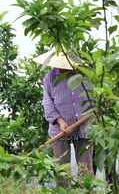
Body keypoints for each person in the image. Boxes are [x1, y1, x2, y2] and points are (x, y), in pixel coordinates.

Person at [36, 51, 94, 185]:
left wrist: (87, 114)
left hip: (84, 128)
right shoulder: (49, 78)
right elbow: (47, 103)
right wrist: (61, 122)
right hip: (60, 130)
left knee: (85, 170)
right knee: (62, 170)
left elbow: (93, 97)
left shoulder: (83, 75)